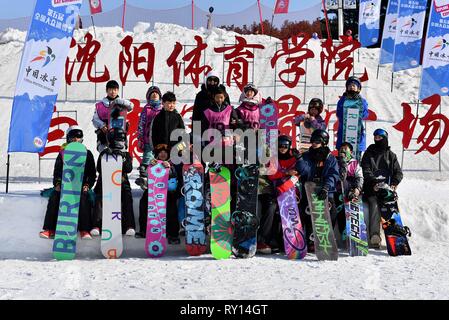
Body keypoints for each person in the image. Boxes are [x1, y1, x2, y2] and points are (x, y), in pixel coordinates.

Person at [39, 126, 96, 240]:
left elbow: (92, 173)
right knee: (55, 197)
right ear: (68, 139)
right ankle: (50, 229)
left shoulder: (87, 153)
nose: (76, 139)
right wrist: (58, 184)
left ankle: (84, 230)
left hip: (81, 186)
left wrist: (87, 185)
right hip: (66, 186)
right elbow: (57, 172)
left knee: (84, 199)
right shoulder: (62, 154)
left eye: (79, 137)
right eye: (73, 137)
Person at [295, 129, 339, 252]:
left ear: (324, 142)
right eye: (312, 140)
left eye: (317, 141)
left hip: (325, 188)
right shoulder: (307, 155)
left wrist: (326, 187)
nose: (314, 143)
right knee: (308, 210)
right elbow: (304, 171)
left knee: (332, 211)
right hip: (310, 188)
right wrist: (299, 159)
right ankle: (311, 239)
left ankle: (327, 237)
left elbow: (333, 174)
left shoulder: (330, 158)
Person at [361, 128, 403, 248]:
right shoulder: (369, 153)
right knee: (374, 204)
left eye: (379, 137)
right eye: (375, 137)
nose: (377, 139)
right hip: (371, 188)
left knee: (390, 205)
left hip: (387, 188)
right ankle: (375, 236)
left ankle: (394, 233)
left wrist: (394, 183)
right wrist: (374, 182)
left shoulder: (391, 156)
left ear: (385, 138)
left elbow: (398, 172)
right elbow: (366, 169)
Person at [136, 144, 180, 244]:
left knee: (171, 208)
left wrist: (170, 169)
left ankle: (172, 234)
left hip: (168, 191)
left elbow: (175, 179)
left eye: (165, 152)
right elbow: (146, 176)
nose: (163, 154)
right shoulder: (152, 163)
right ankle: (144, 230)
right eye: (160, 152)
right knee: (144, 202)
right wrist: (150, 167)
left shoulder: (172, 164)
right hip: (153, 191)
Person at [266, 135, 302, 254]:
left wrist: (300, 159)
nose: (282, 148)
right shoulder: (273, 158)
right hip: (275, 191)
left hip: (289, 191)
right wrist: (285, 172)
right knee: (274, 211)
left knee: (291, 213)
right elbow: (271, 174)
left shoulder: (294, 158)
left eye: (285, 146)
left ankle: (292, 240)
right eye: (280, 146)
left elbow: (297, 175)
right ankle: (273, 241)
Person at [92, 80, 133, 152]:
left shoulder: (123, 103)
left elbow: (131, 106)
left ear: (118, 91)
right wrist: (102, 125)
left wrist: (119, 101)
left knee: (120, 155)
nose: (113, 92)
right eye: (111, 89)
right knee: (104, 155)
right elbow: (95, 119)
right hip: (104, 136)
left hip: (120, 136)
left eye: (115, 89)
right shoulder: (100, 105)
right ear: (107, 90)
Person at [334, 142, 364, 240]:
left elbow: (359, 177)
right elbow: (339, 177)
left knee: (350, 204)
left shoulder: (355, 163)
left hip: (350, 190)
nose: (342, 151)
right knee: (338, 207)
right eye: (341, 149)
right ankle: (342, 231)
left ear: (350, 151)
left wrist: (357, 189)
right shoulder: (334, 161)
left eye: (345, 149)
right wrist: (342, 162)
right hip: (337, 190)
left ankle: (355, 231)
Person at [135, 86, 163, 189]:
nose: (154, 95)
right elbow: (141, 124)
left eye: (156, 93)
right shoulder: (146, 109)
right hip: (148, 139)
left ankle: (158, 179)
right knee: (148, 157)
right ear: (149, 97)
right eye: (152, 94)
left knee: (160, 159)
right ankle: (144, 177)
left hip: (160, 140)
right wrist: (140, 138)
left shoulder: (162, 108)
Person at [335, 76, 369, 158]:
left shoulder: (362, 101)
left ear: (359, 89)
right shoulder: (342, 100)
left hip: (357, 134)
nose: (352, 87)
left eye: (354, 85)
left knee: (355, 160)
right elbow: (339, 114)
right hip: (344, 132)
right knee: (343, 158)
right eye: (350, 85)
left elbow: (365, 114)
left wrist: (360, 105)